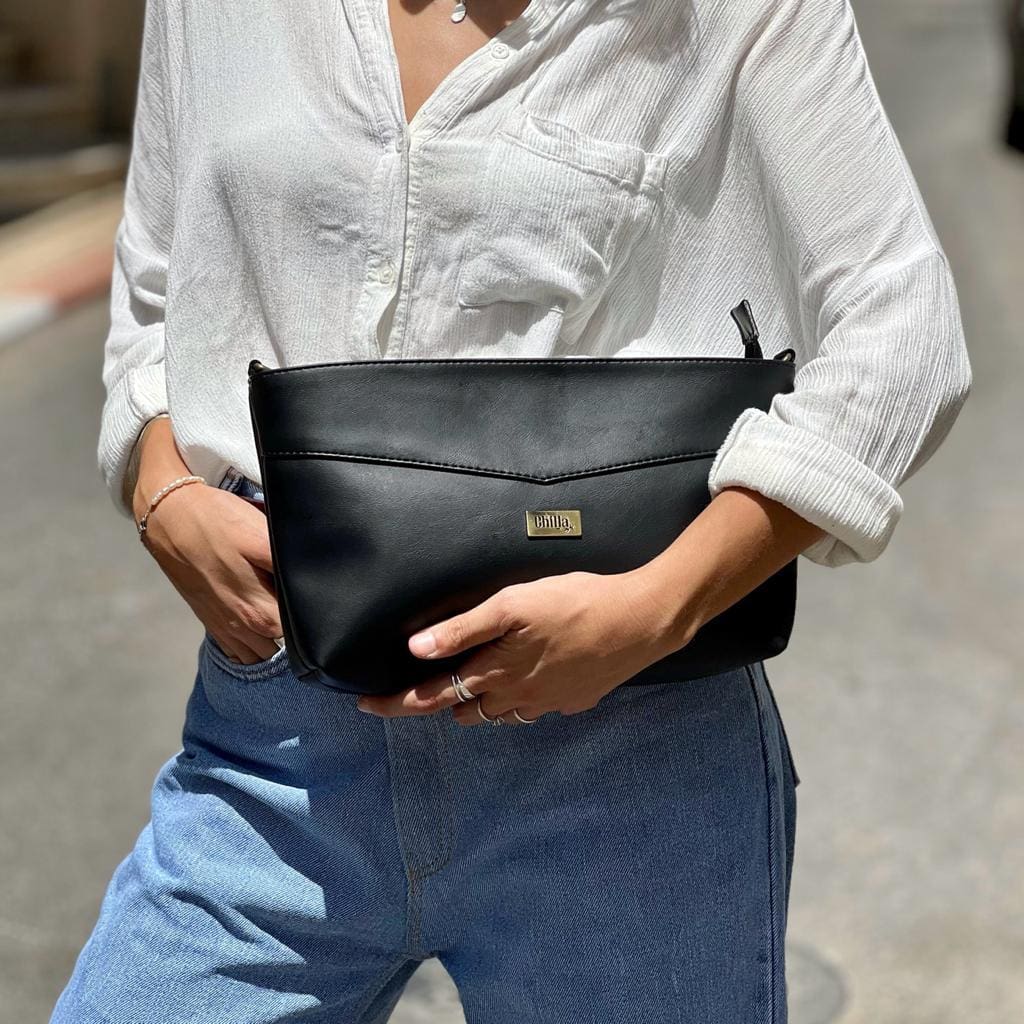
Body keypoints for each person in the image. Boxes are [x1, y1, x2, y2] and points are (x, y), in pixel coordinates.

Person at [52, 1, 972, 1021]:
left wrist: (657, 606)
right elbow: (157, 282)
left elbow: (905, 329)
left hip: (626, 755)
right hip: (277, 746)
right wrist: (159, 483)